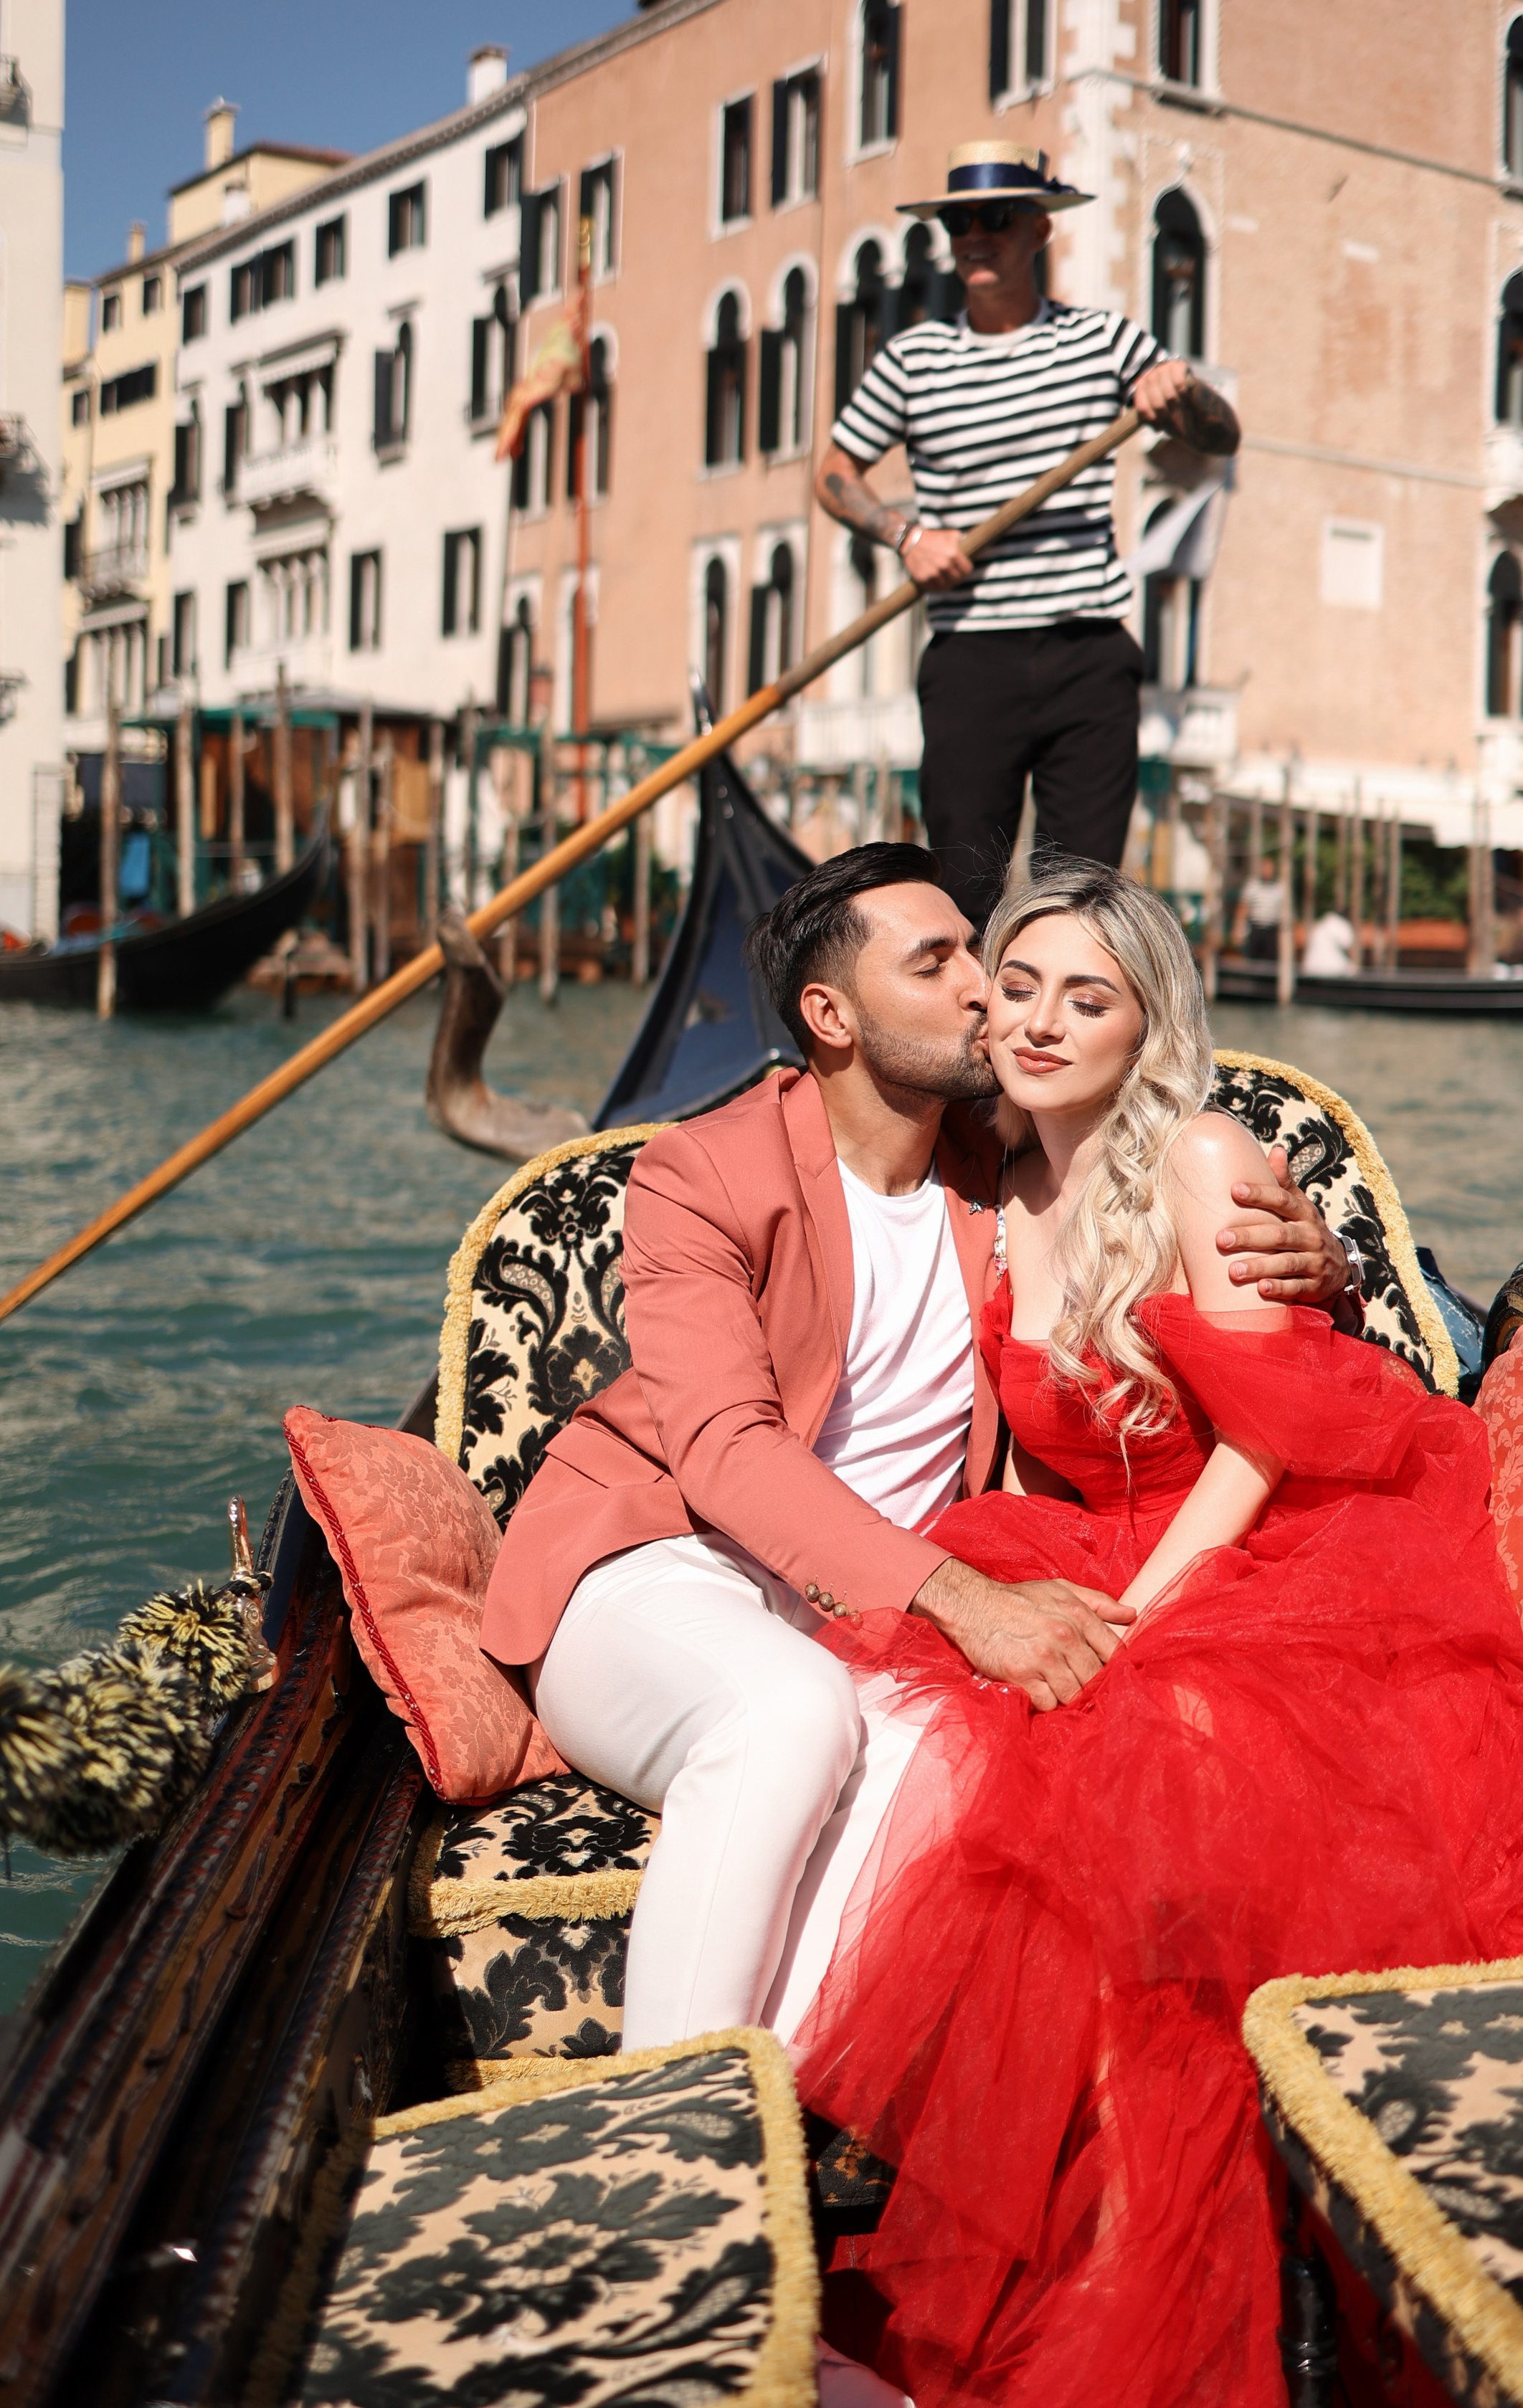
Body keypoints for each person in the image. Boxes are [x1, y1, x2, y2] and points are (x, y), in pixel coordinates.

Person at [786, 860, 1523, 2408]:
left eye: (1087, 999)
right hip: (1093, 1544)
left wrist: (1137, 1616)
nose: (1039, 1023)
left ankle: (1194, 2249)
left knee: (1151, 1769)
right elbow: (1023, 1460)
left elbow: (1265, 1439)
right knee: (959, 1737)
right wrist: (1006, 1594)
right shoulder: (993, 1183)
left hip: (1279, 1544)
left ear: (1145, 1027)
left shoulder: (1202, 1159)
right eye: (1020, 987)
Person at [479, 844, 1352, 2062]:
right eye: (939, 964)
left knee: (978, 1791)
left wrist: (1323, 1263)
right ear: (832, 1017)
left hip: (880, 1619)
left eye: (978, 957)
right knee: (787, 1715)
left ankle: (786, 2109)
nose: (989, 994)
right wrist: (968, 1602)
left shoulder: (1005, 1160)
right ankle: (663, 2125)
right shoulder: (701, 1171)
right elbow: (726, 1452)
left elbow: (1178, 1235)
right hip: (667, 1565)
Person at [815, 142, 1240, 925]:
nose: (976, 236)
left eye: (998, 218)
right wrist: (906, 537)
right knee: (963, 895)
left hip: (1088, 651)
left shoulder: (1102, 340)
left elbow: (1221, 434)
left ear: (1039, 230)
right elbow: (834, 472)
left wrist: (1178, 392)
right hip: (971, 657)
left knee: (1080, 897)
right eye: (961, 222)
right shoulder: (914, 360)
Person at [1235, 851, 1286, 962]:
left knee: (1271, 960)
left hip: (1271, 929)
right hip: (1256, 928)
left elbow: (1283, 912)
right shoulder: (1252, 885)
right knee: (1253, 959)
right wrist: (1239, 929)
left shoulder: (1279, 887)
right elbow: (1243, 907)